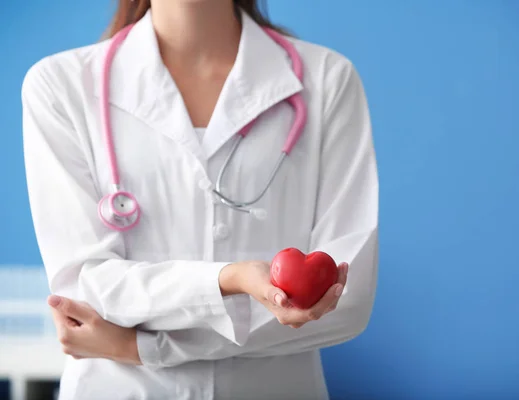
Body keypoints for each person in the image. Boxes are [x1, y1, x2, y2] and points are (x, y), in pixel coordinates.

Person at [22, 0, 378, 398]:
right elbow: (88, 289)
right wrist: (230, 279)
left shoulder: (327, 80)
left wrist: (140, 346)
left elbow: (346, 301)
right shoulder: (61, 86)